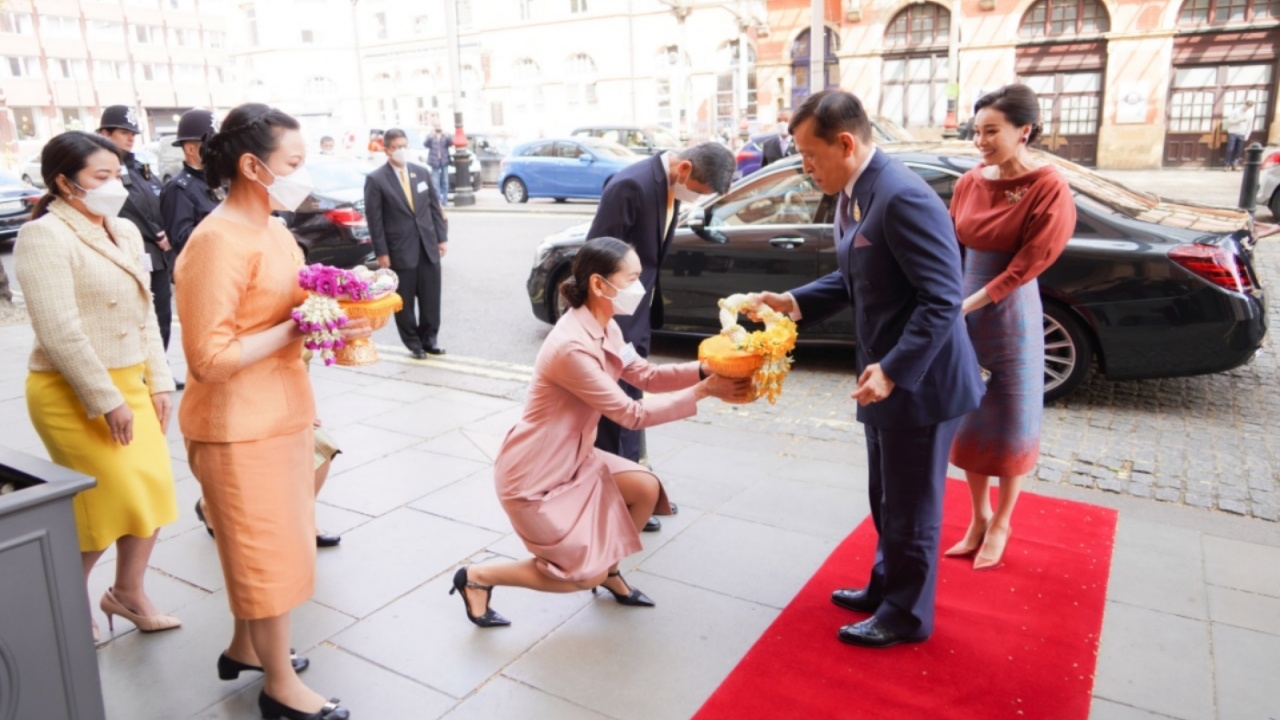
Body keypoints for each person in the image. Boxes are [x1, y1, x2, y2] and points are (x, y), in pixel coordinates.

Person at [752, 90, 985, 648]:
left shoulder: (901, 197)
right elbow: (857, 276)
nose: (804, 167)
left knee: (913, 507)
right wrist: (793, 301)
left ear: (846, 143)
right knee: (886, 497)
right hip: (882, 377)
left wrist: (894, 370)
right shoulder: (856, 191)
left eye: (810, 155)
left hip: (918, 381)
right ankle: (886, 586)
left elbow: (942, 297)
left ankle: (906, 615)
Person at [175, 103, 366, 720]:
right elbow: (209, 358)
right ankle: (279, 686)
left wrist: (340, 305)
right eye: (293, 163)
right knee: (266, 553)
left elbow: (295, 309)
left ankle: (244, 648)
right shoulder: (215, 242)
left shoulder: (276, 230)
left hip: (280, 412)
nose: (301, 175)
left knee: (272, 544)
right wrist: (297, 327)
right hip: (236, 427)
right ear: (254, 166)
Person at [451, 238, 750, 626]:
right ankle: (477, 577)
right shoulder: (571, 347)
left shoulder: (604, 326)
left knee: (645, 488)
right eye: (633, 278)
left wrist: (704, 369)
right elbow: (630, 413)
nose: (641, 287)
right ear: (599, 284)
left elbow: (643, 374)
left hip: (575, 454)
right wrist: (704, 392)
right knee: (578, 575)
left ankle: (608, 570)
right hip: (534, 474)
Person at [16, 131, 180, 644]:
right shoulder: (45, 236)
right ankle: (68, 599)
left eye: (117, 175)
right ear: (65, 183)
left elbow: (145, 313)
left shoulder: (125, 230)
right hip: (72, 391)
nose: (114, 186)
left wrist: (158, 380)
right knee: (102, 503)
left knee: (150, 490)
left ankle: (128, 592)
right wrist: (106, 400)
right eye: (100, 177)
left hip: (131, 379)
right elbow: (59, 330)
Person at [943, 85, 1075, 570]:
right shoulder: (970, 180)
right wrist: (947, 300)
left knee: (1012, 417)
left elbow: (1027, 265)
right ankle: (977, 517)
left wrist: (967, 303)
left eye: (991, 131)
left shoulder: (1048, 185)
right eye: (976, 131)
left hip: (1010, 310)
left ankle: (1002, 521)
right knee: (970, 415)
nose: (980, 141)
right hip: (963, 305)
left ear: (1025, 131)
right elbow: (951, 243)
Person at [586, 142, 735, 531]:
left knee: (632, 402)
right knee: (615, 411)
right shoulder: (630, 186)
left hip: (638, 314)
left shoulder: (669, 186)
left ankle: (634, 491)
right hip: (616, 317)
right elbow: (597, 258)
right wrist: (604, 324)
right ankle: (616, 497)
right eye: (699, 191)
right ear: (684, 168)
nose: (696, 198)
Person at [98, 106, 176, 363]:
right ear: (105, 134)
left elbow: (160, 199)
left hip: (158, 255)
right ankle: (141, 373)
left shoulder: (139, 166)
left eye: (133, 132)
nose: (130, 137)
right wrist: (156, 233)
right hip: (133, 252)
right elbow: (122, 209)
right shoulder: (101, 170)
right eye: (124, 132)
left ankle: (159, 369)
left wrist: (166, 233)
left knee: (161, 315)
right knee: (137, 317)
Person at [365, 127, 449, 359]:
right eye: (396, 147)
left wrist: (441, 238)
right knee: (405, 302)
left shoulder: (421, 173)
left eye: (404, 146)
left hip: (427, 245)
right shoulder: (377, 179)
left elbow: (435, 208)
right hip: (400, 249)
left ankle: (430, 339)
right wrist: (381, 252)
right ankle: (414, 343)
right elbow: (375, 219)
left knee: (431, 298)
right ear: (387, 150)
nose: (402, 151)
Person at [160, 109, 223, 257]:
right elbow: (182, 241)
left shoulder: (216, 180)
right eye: (212, 145)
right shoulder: (178, 189)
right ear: (190, 149)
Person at [1222, 99, 1256, 171]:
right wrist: (1238, 120)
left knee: (1239, 150)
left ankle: (1235, 164)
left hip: (1242, 133)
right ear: (1245, 104)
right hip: (1233, 132)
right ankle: (1226, 164)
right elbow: (1229, 121)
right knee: (1230, 149)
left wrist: (1247, 135)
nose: (1247, 107)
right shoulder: (1236, 111)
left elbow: (1250, 125)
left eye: (1249, 106)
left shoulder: (1251, 113)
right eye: (1247, 105)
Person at [424, 125, 453, 206]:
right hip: (434, 161)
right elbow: (425, 144)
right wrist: (431, 136)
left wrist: (446, 135)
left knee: (445, 181)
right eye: (436, 127)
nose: (438, 129)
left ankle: (445, 200)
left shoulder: (445, 135)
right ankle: (437, 200)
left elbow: (451, 143)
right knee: (435, 182)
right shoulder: (431, 135)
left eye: (439, 127)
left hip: (444, 160)